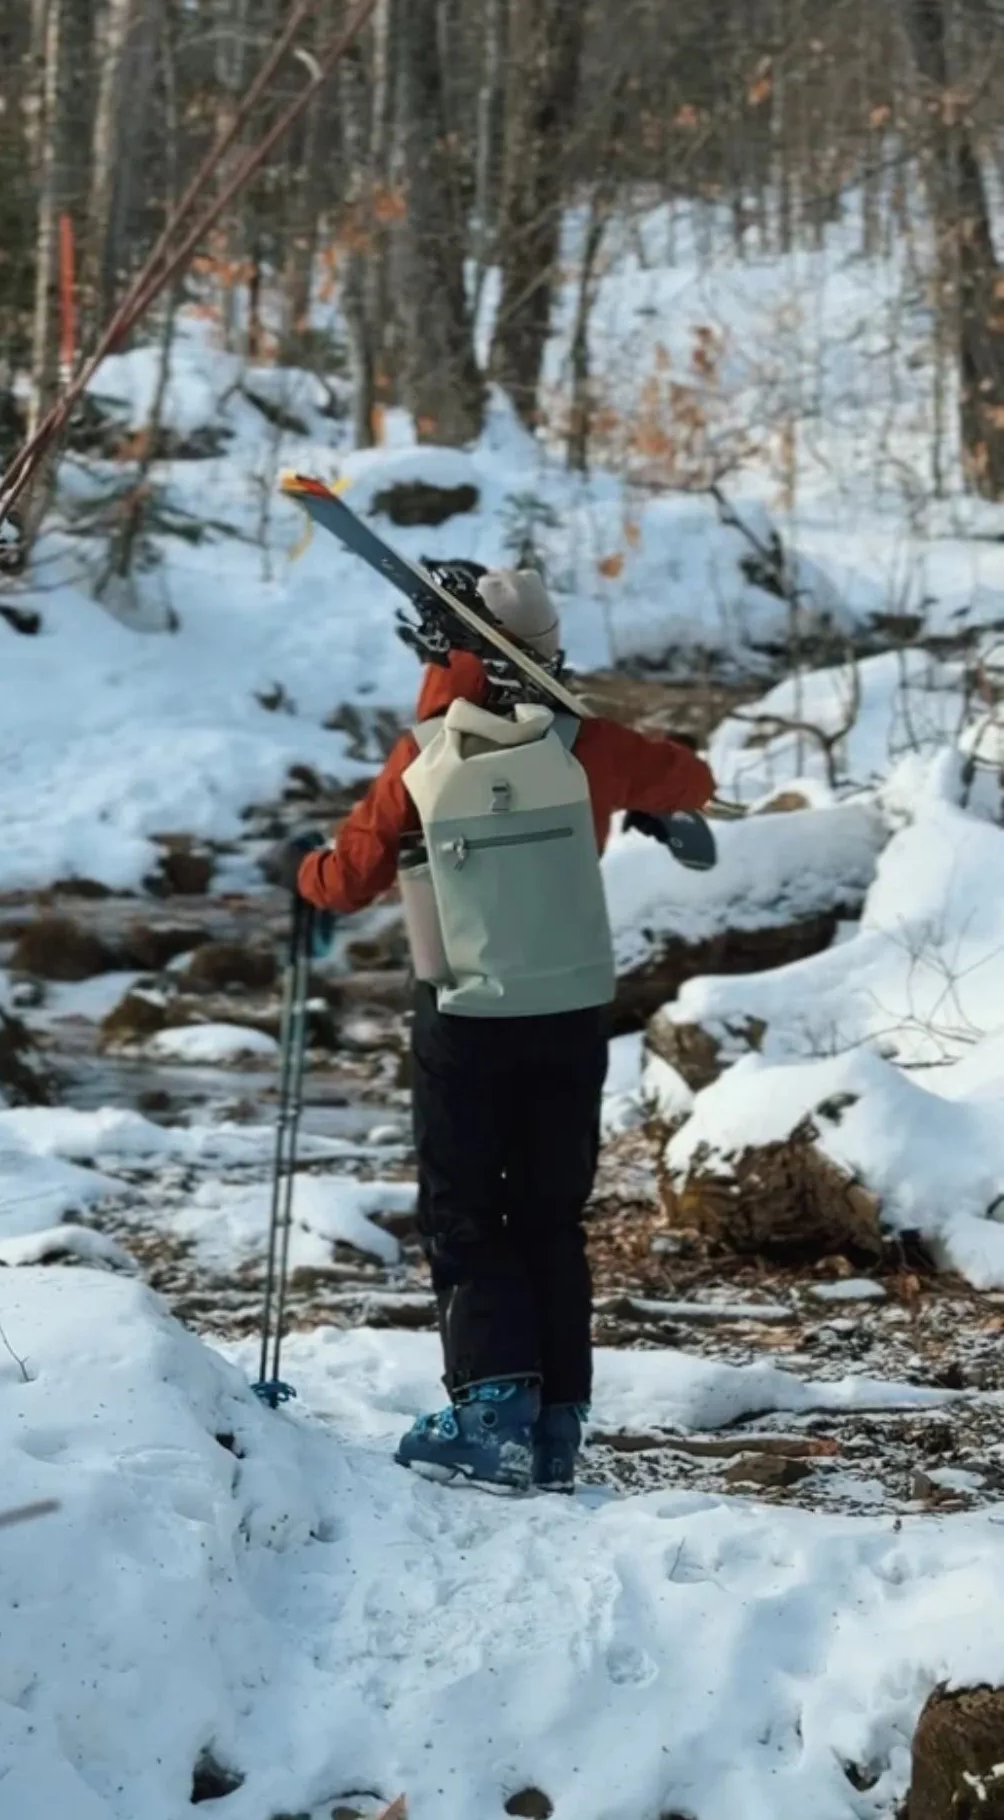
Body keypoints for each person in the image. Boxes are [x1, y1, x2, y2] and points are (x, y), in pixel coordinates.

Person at [278, 563, 714, 1492]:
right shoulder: (587, 744)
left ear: (444, 652)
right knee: (551, 1215)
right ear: (550, 650)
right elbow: (695, 778)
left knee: (466, 1212)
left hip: (465, 1013)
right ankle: (557, 1426)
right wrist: (640, 794)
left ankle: (493, 1414)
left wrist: (303, 872)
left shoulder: (427, 751)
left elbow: (347, 880)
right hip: (572, 1011)